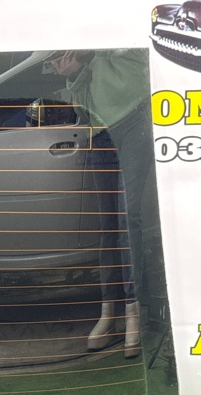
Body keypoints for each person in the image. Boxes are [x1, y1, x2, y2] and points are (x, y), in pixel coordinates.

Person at [53, 49, 157, 359]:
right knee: (108, 225)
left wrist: (95, 53)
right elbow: (83, 108)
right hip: (99, 133)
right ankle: (108, 312)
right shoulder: (79, 51)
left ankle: (134, 313)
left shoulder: (104, 36)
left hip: (134, 118)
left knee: (128, 218)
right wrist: (74, 73)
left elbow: (139, 64)